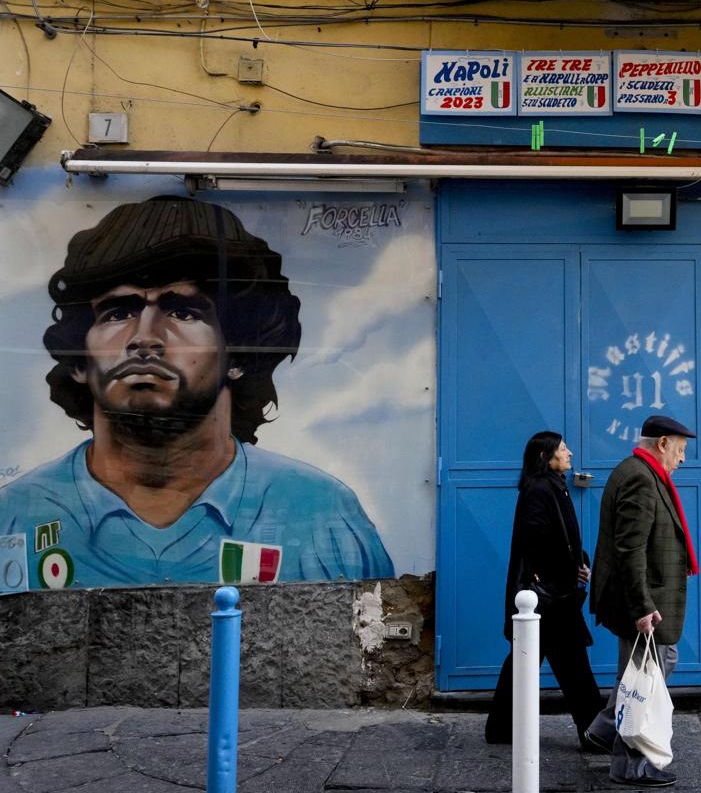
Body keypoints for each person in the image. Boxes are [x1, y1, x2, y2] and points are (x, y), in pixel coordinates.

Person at [0, 196, 394, 588]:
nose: (144, 338)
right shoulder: (14, 516)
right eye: (117, 312)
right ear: (80, 361)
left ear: (238, 352)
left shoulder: (321, 516)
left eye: (183, 312)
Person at [583, 414, 698, 788]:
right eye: (679, 451)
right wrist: (643, 607)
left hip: (643, 597)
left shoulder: (639, 471)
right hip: (644, 599)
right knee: (646, 680)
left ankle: (604, 729)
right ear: (662, 443)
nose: (682, 460)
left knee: (644, 670)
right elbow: (630, 549)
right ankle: (631, 764)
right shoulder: (640, 478)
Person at [484, 431, 603, 749]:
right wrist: (566, 570)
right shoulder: (540, 490)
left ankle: (500, 728)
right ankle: (594, 731)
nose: (570, 453)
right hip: (548, 596)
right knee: (572, 663)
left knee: (526, 660)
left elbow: (563, 538)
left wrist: (579, 561)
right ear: (545, 457)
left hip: (550, 593)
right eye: (563, 449)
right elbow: (537, 542)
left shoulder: (553, 486)